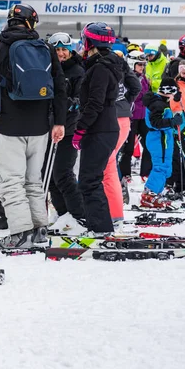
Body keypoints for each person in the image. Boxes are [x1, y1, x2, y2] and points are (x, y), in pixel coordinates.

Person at [0, 4, 66, 248]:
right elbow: (60, 88)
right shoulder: (46, 49)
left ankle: (20, 232)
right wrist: (59, 122)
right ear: (31, 23)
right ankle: (39, 229)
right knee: (33, 181)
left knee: (11, 182)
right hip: (41, 127)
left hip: (10, 125)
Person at [72, 22, 123, 236]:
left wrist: (80, 129)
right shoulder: (101, 64)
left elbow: (95, 103)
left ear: (90, 42)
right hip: (103, 127)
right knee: (89, 179)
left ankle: (101, 228)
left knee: (89, 180)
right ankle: (98, 225)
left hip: (100, 129)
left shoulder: (101, 68)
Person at [46, 32, 86, 226]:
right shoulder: (47, 69)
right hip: (48, 128)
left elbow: (81, 99)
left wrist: (65, 104)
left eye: (64, 50)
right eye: (57, 50)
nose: (61, 53)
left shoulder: (77, 71)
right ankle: (63, 214)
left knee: (63, 174)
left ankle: (79, 215)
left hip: (69, 128)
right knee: (51, 177)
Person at [103, 48, 142, 225]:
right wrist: (127, 102)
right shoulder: (122, 66)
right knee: (109, 165)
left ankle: (112, 213)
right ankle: (114, 211)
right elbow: (136, 86)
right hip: (123, 119)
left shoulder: (99, 66)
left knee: (106, 167)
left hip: (109, 119)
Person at [141, 78, 182, 208]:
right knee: (161, 167)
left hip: (163, 138)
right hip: (159, 139)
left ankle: (154, 193)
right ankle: (150, 195)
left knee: (165, 167)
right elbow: (155, 123)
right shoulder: (158, 104)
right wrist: (172, 122)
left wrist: (172, 124)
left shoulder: (161, 102)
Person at [119, 50, 152, 181]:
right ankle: (125, 173)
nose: (142, 67)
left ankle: (145, 172)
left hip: (143, 116)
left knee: (148, 144)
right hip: (131, 116)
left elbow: (146, 94)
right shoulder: (127, 77)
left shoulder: (144, 78)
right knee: (128, 147)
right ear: (132, 64)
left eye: (143, 65)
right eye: (140, 64)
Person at [168, 60, 185, 193]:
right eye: (183, 72)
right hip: (182, 123)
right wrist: (176, 101)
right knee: (180, 156)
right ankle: (179, 184)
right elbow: (172, 104)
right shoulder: (176, 85)